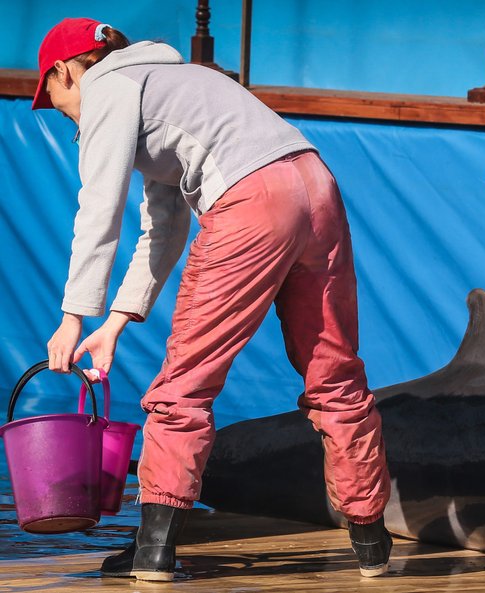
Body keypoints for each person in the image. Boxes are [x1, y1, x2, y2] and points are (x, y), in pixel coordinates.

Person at [36, 18, 393, 581]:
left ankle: (154, 552)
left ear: (64, 71)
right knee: (336, 376)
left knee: (184, 386)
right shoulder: (172, 82)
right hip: (317, 185)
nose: (66, 116)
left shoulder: (107, 87)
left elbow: (97, 208)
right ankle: (372, 544)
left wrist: (73, 316)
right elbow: (164, 226)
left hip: (251, 202)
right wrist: (117, 321)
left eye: (57, 102)